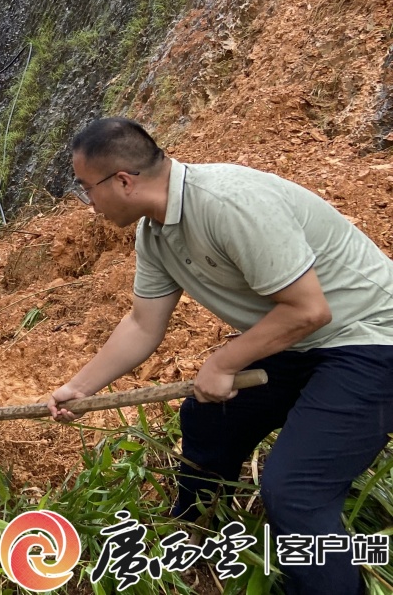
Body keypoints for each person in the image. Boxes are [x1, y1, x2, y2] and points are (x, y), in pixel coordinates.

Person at [47, 117, 393, 595]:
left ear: (123, 181)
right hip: (303, 341)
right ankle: (195, 537)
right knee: (209, 418)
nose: (89, 203)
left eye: (87, 188)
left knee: (295, 490)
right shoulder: (156, 234)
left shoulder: (228, 203)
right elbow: (143, 324)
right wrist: (79, 388)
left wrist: (224, 362)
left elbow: (308, 310)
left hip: (371, 339)